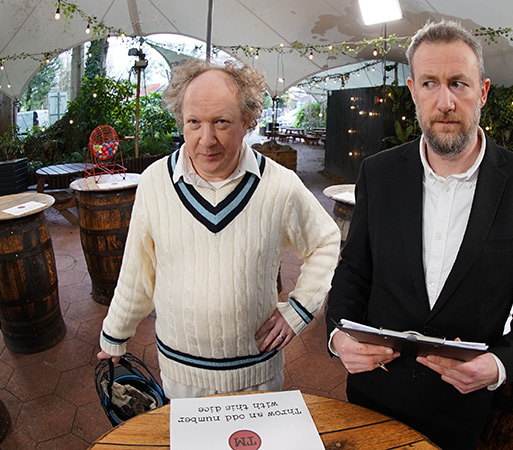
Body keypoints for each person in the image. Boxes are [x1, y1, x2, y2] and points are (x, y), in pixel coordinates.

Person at [325, 20, 513, 449]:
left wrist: (500, 365)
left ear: (483, 92)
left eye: (459, 84)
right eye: (431, 84)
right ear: (414, 91)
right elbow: (354, 271)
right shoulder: (377, 174)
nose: (445, 101)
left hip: (458, 412)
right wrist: (337, 334)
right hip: (370, 399)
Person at [98, 59, 340, 399]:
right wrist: (115, 334)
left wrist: (298, 310)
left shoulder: (279, 186)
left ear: (247, 122)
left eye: (221, 122)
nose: (206, 139)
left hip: (257, 373)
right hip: (181, 374)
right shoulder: (155, 181)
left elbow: (326, 242)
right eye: (193, 122)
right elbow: (138, 269)